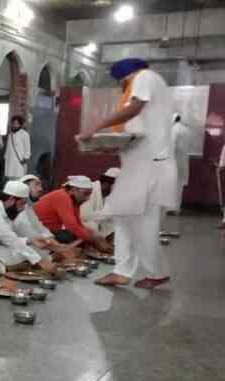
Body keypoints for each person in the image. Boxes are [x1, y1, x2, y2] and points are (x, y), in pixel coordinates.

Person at [78, 58, 178, 289]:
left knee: (143, 224)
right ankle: (123, 271)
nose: (122, 88)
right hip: (141, 166)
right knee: (124, 217)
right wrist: (106, 145)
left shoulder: (144, 78)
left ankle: (154, 272)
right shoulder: (155, 85)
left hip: (149, 168)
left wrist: (95, 128)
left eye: (121, 83)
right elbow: (137, 130)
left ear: (126, 76)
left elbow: (135, 107)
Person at [33, 176, 113, 253]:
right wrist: (91, 239)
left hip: (52, 230)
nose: (87, 198)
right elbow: (72, 226)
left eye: (89, 195)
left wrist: (94, 235)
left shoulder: (73, 200)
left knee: (89, 233)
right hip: (41, 231)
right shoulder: (62, 196)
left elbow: (78, 223)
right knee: (76, 236)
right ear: (74, 190)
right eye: (86, 194)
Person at [80, 168, 120, 239]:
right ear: (107, 183)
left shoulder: (107, 196)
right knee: (92, 225)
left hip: (92, 228)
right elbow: (85, 216)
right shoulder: (90, 189)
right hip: (75, 227)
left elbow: (108, 221)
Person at [169, 113, 191, 215]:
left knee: (172, 184)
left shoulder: (174, 130)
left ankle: (171, 208)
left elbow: (172, 147)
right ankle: (177, 208)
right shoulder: (186, 130)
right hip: (183, 161)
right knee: (179, 185)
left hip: (175, 160)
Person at [4, 115, 31, 180]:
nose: (14, 125)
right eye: (13, 123)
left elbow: (27, 148)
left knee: (19, 179)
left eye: (16, 123)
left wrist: (26, 158)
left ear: (20, 124)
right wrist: (6, 157)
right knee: (10, 179)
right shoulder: (11, 135)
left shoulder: (25, 134)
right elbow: (8, 148)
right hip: (10, 161)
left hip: (20, 161)